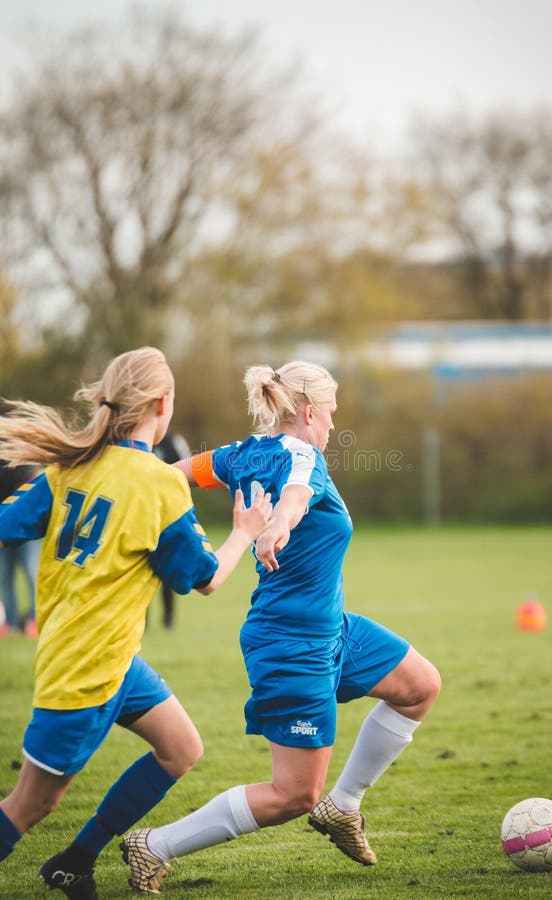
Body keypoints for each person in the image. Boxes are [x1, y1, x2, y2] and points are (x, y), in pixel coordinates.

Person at [121, 360, 441, 892]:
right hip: (291, 644)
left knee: (421, 686)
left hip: (331, 629)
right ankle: (153, 845)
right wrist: (275, 527)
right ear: (311, 410)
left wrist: (123, 484)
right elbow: (294, 497)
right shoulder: (303, 457)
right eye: (332, 413)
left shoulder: (243, 453)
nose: (335, 425)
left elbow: (172, 475)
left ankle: (344, 809)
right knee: (294, 795)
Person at [0, 347, 272, 900]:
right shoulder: (158, 483)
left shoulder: (67, 469)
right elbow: (206, 578)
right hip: (85, 673)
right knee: (30, 806)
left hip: (110, 659)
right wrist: (245, 530)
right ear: (161, 405)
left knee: (181, 749)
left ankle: (76, 861)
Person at [152, 429, 193, 628]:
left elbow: (188, 471)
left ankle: (168, 619)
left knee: (168, 571)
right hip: (142, 516)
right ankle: (142, 622)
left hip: (168, 517)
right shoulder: (139, 442)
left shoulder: (174, 441)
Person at [0, 462, 40, 637]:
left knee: (32, 574)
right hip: (2, 523)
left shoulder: (22, 454)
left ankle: (34, 619)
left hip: (26, 525)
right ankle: (11, 622)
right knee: (4, 577)